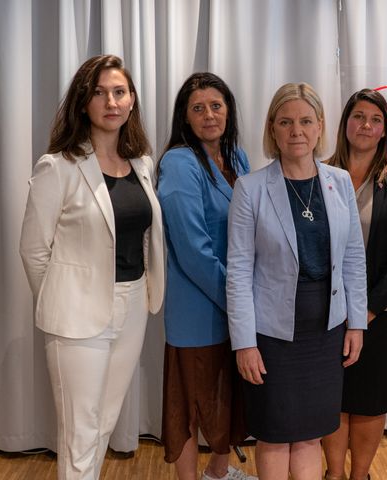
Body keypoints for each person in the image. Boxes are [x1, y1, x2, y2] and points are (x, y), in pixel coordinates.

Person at [19, 54, 164, 479]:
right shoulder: (58, 167)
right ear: (83, 103)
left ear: (132, 99)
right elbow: (33, 251)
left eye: (119, 92)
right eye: (99, 93)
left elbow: (145, 237)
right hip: (76, 315)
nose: (111, 102)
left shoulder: (142, 164)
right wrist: (62, 299)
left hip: (133, 303)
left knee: (103, 422)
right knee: (80, 431)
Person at [226, 82, 367, 480]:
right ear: (272, 128)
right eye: (286, 122)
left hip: (326, 330)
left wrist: (356, 323)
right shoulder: (250, 188)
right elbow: (238, 271)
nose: (296, 131)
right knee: (274, 435)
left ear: (320, 126)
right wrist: (244, 343)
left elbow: (353, 258)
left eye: (306, 121)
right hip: (272, 335)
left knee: (309, 435)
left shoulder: (340, 181)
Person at [322, 89, 387, 480]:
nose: (366, 125)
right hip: (330, 309)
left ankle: (360, 474)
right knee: (335, 394)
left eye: (375, 119)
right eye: (359, 116)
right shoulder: (320, 174)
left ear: (385, 130)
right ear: (344, 123)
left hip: (384, 312)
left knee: (369, 398)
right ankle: (334, 474)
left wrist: (370, 308)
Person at [157, 72, 253, 480]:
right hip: (198, 309)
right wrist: (239, 300)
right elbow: (193, 250)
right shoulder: (179, 163)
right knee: (190, 407)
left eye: (216, 106)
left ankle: (217, 471)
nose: (209, 115)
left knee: (227, 397)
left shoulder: (238, 158)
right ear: (185, 116)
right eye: (198, 108)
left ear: (229, 111)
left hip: (235, 305)